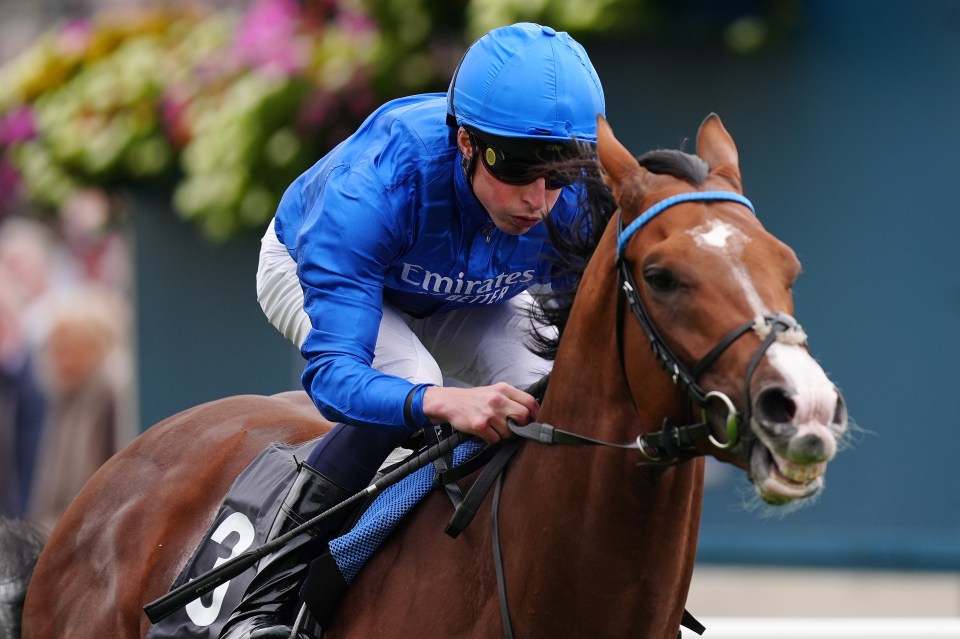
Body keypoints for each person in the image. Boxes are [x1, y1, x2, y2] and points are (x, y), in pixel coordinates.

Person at [223, 22, 606, 638]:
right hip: (312, 266)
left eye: (560, 174)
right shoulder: (375, 185)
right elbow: (335, 377)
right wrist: (442, 401)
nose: (539, 200)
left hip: (474, 289)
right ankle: (264, 602)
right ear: (466, 142)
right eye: (518, 169)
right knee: (413, 378)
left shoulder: (578, 201)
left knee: (547, 391)